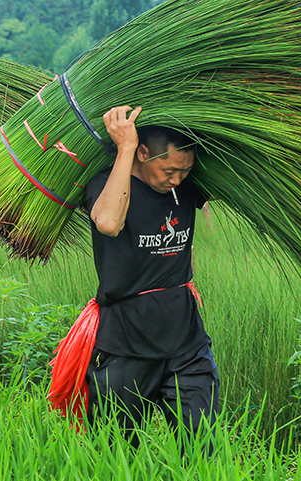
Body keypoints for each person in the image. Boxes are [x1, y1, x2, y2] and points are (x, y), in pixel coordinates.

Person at [83, 105, 219, 450]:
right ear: (144, 153)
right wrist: (125, 148)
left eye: (184, 172)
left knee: (202, 445)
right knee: (113, 453)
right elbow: (109, 223)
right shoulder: (106, 183)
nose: (176, 180)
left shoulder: (185, 186)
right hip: (125, 342)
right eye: (169, 169)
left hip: (186, 340)